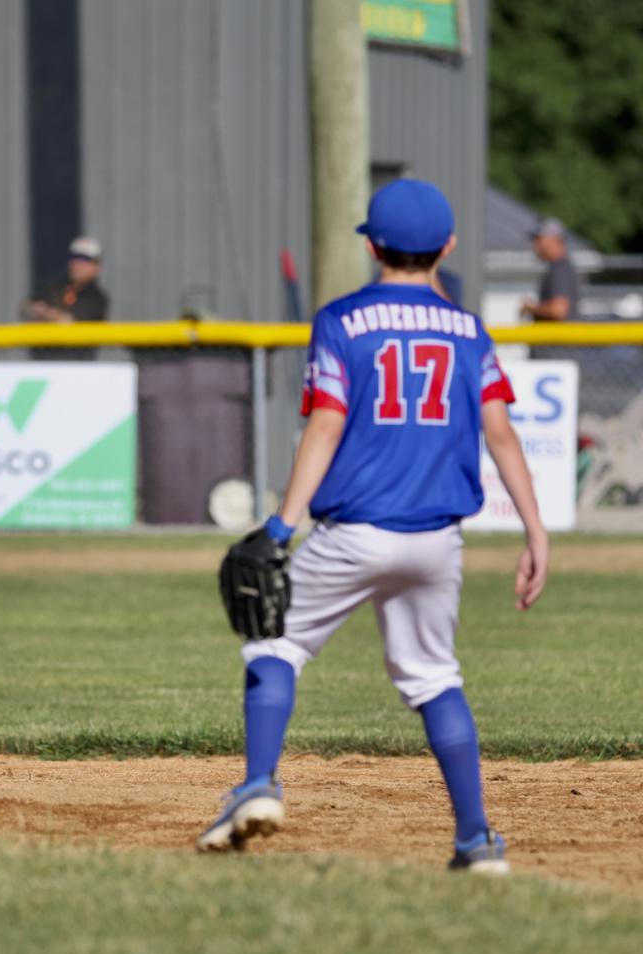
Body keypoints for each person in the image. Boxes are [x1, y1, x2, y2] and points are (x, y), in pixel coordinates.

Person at [196, 179, 548, 874]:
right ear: (446, 246)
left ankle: (259, 784)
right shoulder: (471, 330)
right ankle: (476, 841)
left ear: (371, 243)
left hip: (352, 531)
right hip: (437, 540)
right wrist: (536, 534)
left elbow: (325, 426)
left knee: (274, 646)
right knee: (434, 679)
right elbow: (502, 435)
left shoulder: (340, 320)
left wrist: (279, 525)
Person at [24, 236, 110, 324]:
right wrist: (33, 309)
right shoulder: (54, 287)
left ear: (96, 266)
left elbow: (72, 322)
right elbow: (25, 308)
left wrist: (48, 313)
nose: (77, 263)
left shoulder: (97, 298)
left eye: (84, 259)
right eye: (74, 257)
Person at [520, 216, 579, 322]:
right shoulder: (559, 267)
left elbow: (558, 310)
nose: (535, 245)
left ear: (553, 239)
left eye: (539, 239)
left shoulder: (560, 268)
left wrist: (530, 308)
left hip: (561, 338)